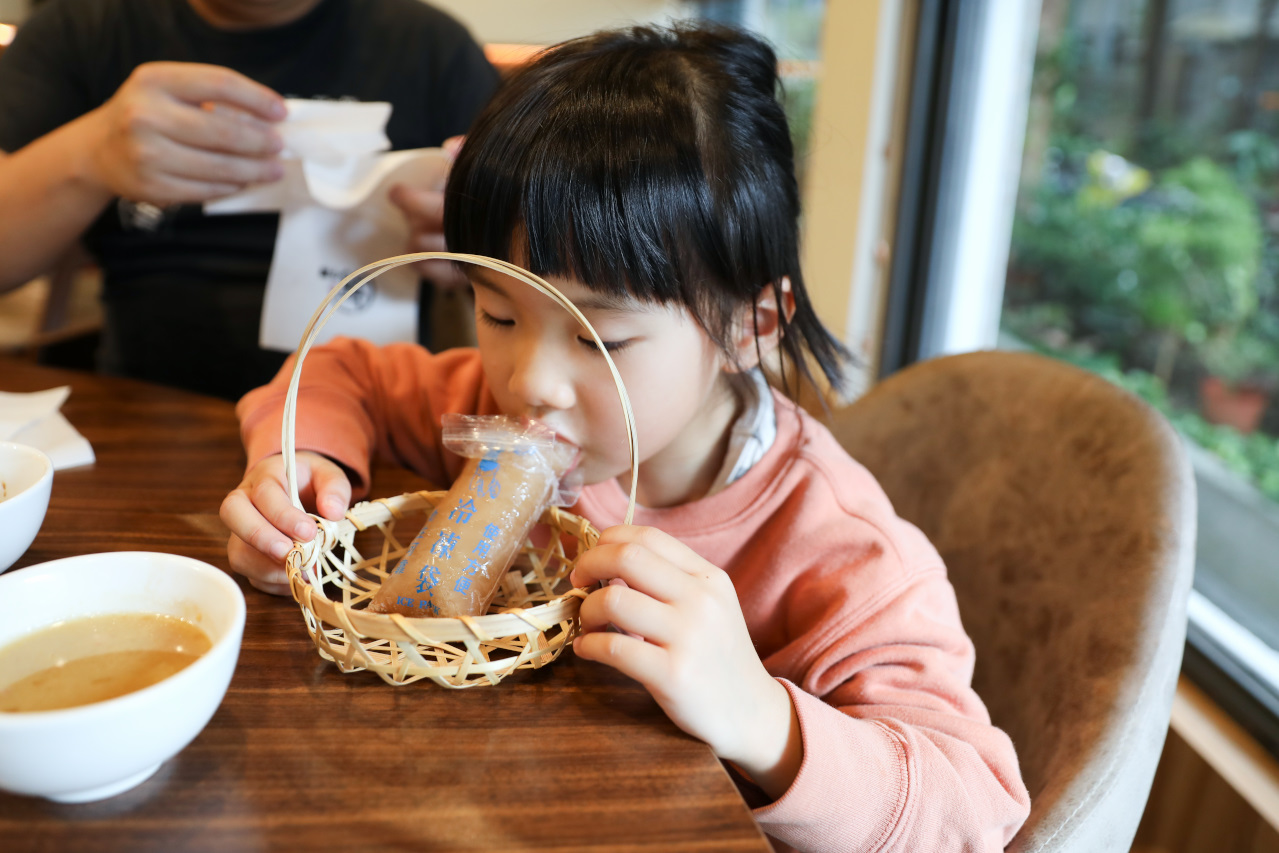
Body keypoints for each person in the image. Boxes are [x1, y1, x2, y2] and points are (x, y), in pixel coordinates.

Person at [218, 24, 1031, 852]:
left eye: (596, 337)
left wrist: (765, 719)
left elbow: (972, 807)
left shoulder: (842, 556)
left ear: (749, 327)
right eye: (498, 312)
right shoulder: (488, 406)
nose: (528, 377)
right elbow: (340, 371)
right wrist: (304, 463)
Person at [0, 0, 498, 400]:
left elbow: (538, 257)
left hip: (376, 413)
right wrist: (91, 152)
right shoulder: (80, 29)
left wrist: (477, 254)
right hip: (147, 404)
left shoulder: (432, 47)